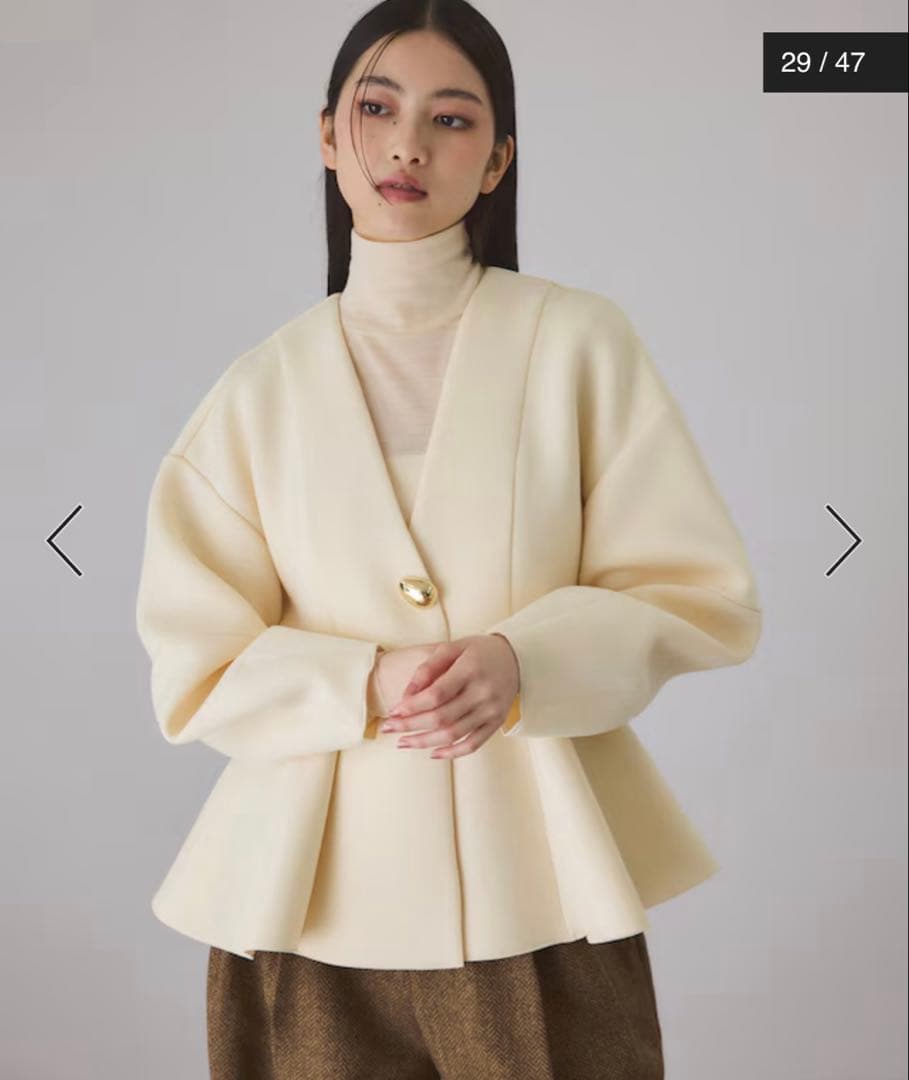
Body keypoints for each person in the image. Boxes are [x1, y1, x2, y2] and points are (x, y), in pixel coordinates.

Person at [135, 2, 763, 1077]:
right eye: (377, 109)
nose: (407, 145)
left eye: (452, 119)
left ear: (498, 159)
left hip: (542, 892)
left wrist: (527, 662)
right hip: (305, 909)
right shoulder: (255, 393)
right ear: (327, 134)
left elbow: (695, 593)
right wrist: (362, 683)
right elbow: (195, 661)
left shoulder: (577, 343)